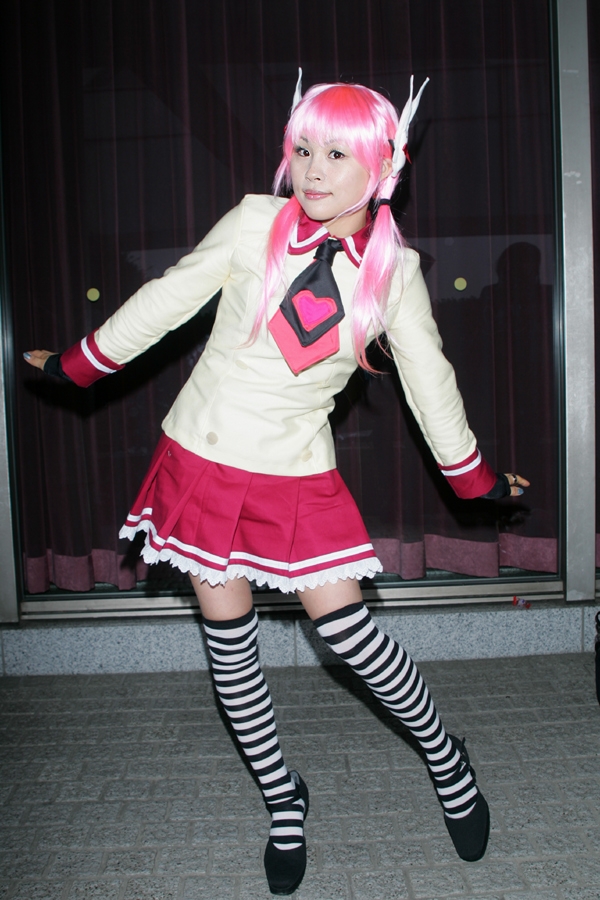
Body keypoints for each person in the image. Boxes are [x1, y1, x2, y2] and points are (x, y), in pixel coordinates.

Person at [25, 74, 529, 896]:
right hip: (202, 457)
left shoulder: (393, 270)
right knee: (230, 647)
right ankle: (282, 799)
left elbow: (431, 382)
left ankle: (447, 757)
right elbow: (167, 299)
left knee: (351, 637)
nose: (314, 169)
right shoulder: (255, 221)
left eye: (337, 154)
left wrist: (473, 479)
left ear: (383, 165)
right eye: (303, 149)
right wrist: (81, 365)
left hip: (293, 470)